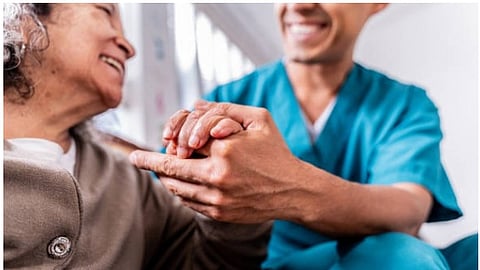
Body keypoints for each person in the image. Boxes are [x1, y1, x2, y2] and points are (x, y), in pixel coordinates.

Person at [129, 3, 477, 269]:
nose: (299, 4)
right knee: (402, 255)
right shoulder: (228, 101)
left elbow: (406, 210)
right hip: (265, 262)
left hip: (379, 254)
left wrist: (286, 187)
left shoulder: (405, 105)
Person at [3, 3, 271, 269]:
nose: (130, 48)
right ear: (23, 22)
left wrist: (233, 198)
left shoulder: (131, 183)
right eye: (105, 12)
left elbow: (212, 262)